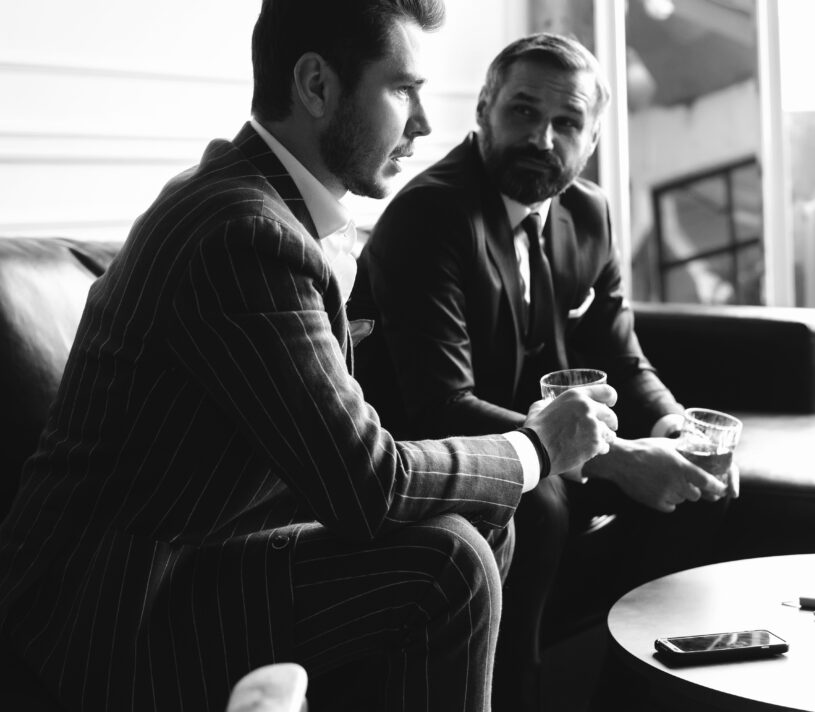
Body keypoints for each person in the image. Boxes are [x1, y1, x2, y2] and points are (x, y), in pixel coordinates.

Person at [0, 5, 618, 711]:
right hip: (110, 609)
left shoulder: (273, 211)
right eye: (403, 90)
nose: (422, 123)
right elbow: (368, 484)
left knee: (479, 515)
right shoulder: (244, 233)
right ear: (317, 86)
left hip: (203, 554)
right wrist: (537, 447)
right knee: (448, 561)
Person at [350, 32, 737, 711]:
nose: (543, 137)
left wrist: (675, 428)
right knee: (542, 500)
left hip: (558, 448)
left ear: (591, 140)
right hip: (440, 455)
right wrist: (614, 459)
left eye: (567, 123)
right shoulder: (430, 215)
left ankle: (642, 686)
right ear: (484, 111)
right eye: (524, 113)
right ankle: (517, 690)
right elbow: (441, 403)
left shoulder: (589, 213)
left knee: (704, 482)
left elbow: (624, 356)